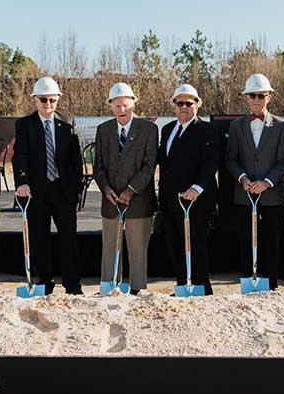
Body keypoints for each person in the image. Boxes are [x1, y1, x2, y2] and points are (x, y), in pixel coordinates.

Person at [14, 77, 84, 295]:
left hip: (63, 192)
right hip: (36, 191)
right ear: (35, 100)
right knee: (38, 238)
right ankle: (44, 283)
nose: (48, 104)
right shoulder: (24, 125)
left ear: (57, 100)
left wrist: (76, 189)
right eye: (43, 99)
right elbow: (20, 156)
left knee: (69, 239)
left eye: (52, 100)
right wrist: (23, 182)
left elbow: (76, 161)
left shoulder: (67, 125)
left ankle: (72, 285)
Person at [225, 73, 284, 289]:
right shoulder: (236, 126)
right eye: (252, 95)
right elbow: (231, 158)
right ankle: (248, 284)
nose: (256, 100)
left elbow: (283, 161)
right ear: (246, 98)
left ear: (269, 97)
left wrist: (267, 182)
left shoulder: (281, 126)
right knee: (246, 241)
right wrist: (243, 178)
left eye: (261, 95)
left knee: (271, 242)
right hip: (244, 194)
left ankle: (271, 285)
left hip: (271, 194)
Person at [93, 82, 158, 295]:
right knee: (109, 248)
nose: (121, 110)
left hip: (138, 201)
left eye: (125, 105)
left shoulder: (149, 129)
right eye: (117, 105)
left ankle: (138, 291)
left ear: (133, 103)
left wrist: (130, 190)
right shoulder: (103, 130)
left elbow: (149, 166)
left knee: (137, 250)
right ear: (111, 106)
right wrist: (106, 189)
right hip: (111, 201)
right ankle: (109, 288)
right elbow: (99, 166)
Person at [158, 83, 219, 295]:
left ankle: (202, 291)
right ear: (174, 105)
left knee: (196, 249)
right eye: (179, 103)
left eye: (188, 103)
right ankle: (183, 288)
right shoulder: (167, 130)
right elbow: (164, 165)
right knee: (175, 247)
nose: (184, 107)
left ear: (197, 105)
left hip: (197, 202)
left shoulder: (207, 130)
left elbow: (211, 163)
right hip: (171, 202)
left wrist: (197, 187)